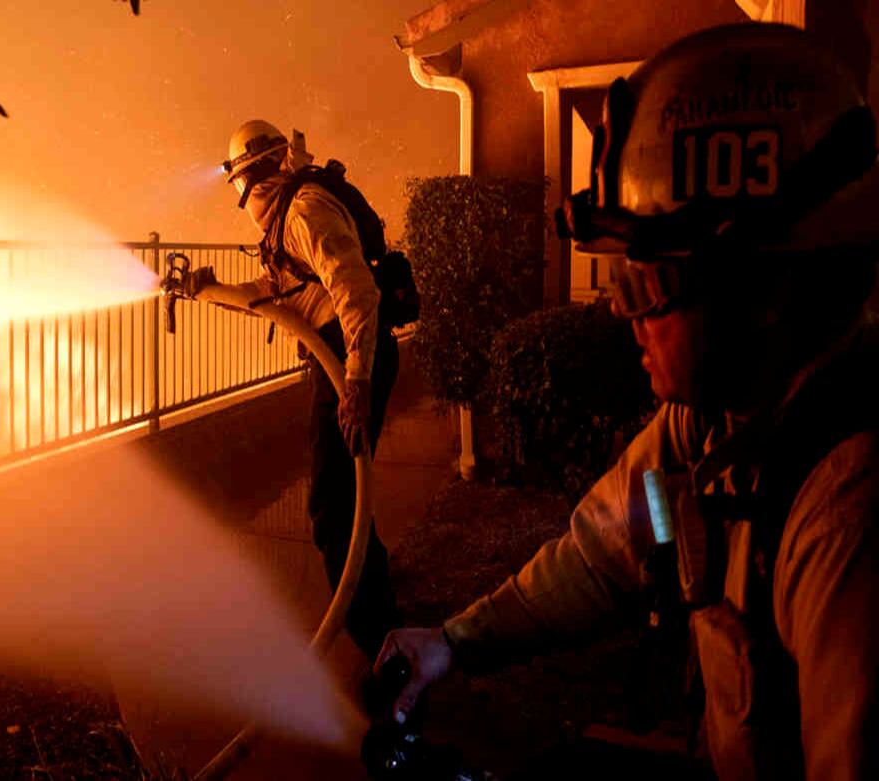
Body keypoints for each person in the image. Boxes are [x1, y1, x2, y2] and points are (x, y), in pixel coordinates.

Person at [377, 22, 879, 780]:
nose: (621, 310)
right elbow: (605, 554)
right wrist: (454, 641)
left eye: (645, 281)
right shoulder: (706, 426)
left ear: (761, 291)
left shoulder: (850, 514)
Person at [183, 120, 401, 660]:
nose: (243, 197)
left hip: (350, 359)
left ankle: (383, 652)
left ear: (254, 177)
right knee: (348, 501)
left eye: (240, 183)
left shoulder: (303, 210)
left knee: (332, 508)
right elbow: (274, 293)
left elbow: (356, 290)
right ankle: (383, 617)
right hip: (345, 358)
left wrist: (356, 381)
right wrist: (206, 290)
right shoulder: (288, 220)